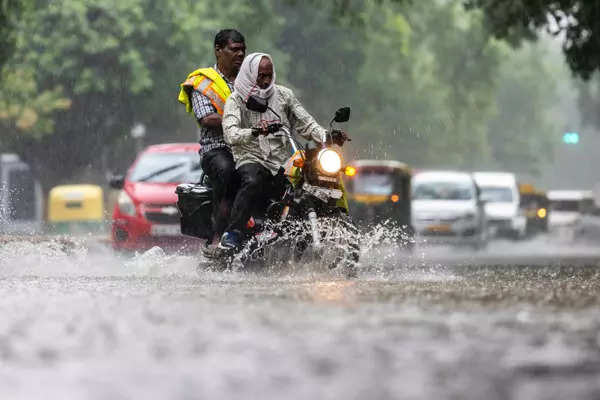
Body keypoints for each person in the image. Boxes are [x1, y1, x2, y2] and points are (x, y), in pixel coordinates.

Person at [220, 52, 342, 250]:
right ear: (250, 74)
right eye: (261, 76)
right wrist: (254, 131)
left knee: (311, 181)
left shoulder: (284, 95)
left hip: (283, 161)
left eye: (269, 75)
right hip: (250, 157)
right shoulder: (236, 100)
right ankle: (233, 232)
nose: (266, 80)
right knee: (252, 180)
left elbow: (306, 123)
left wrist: (327, 136)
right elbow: (230, 134)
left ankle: (309, 229)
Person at [177, 29, 246, 246]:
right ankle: (219, 236)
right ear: (218, 50)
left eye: (243, 50)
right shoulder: (202, 82)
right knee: (227, 172)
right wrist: (243, 120)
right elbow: (207, 119)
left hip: (252, 147)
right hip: (217, 149)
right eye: (234, 49)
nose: (240, 54)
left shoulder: (253, 80)